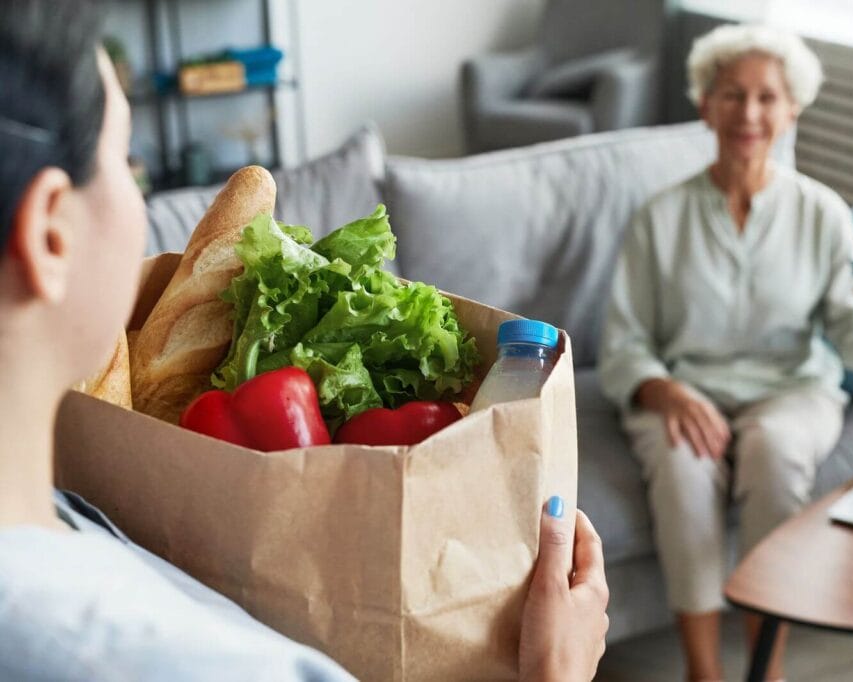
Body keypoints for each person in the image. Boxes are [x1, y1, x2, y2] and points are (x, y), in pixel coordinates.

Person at [0, 2, 609, 680]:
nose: (141, 203)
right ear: (51, 232)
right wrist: (559, 672)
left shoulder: (58, 514)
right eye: (125, 159)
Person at [598, 24, 853, 682]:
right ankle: (703, 670)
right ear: (705, 105)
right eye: (732, 95)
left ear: (792, 109)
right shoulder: (660, 217)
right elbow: (623, 341)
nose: (749, 113)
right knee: (684, 470)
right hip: (685, 389)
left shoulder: (823, 213)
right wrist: (667, 391)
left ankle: (766, 668)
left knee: (776, 452)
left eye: (767, 98)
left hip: (792, 389)